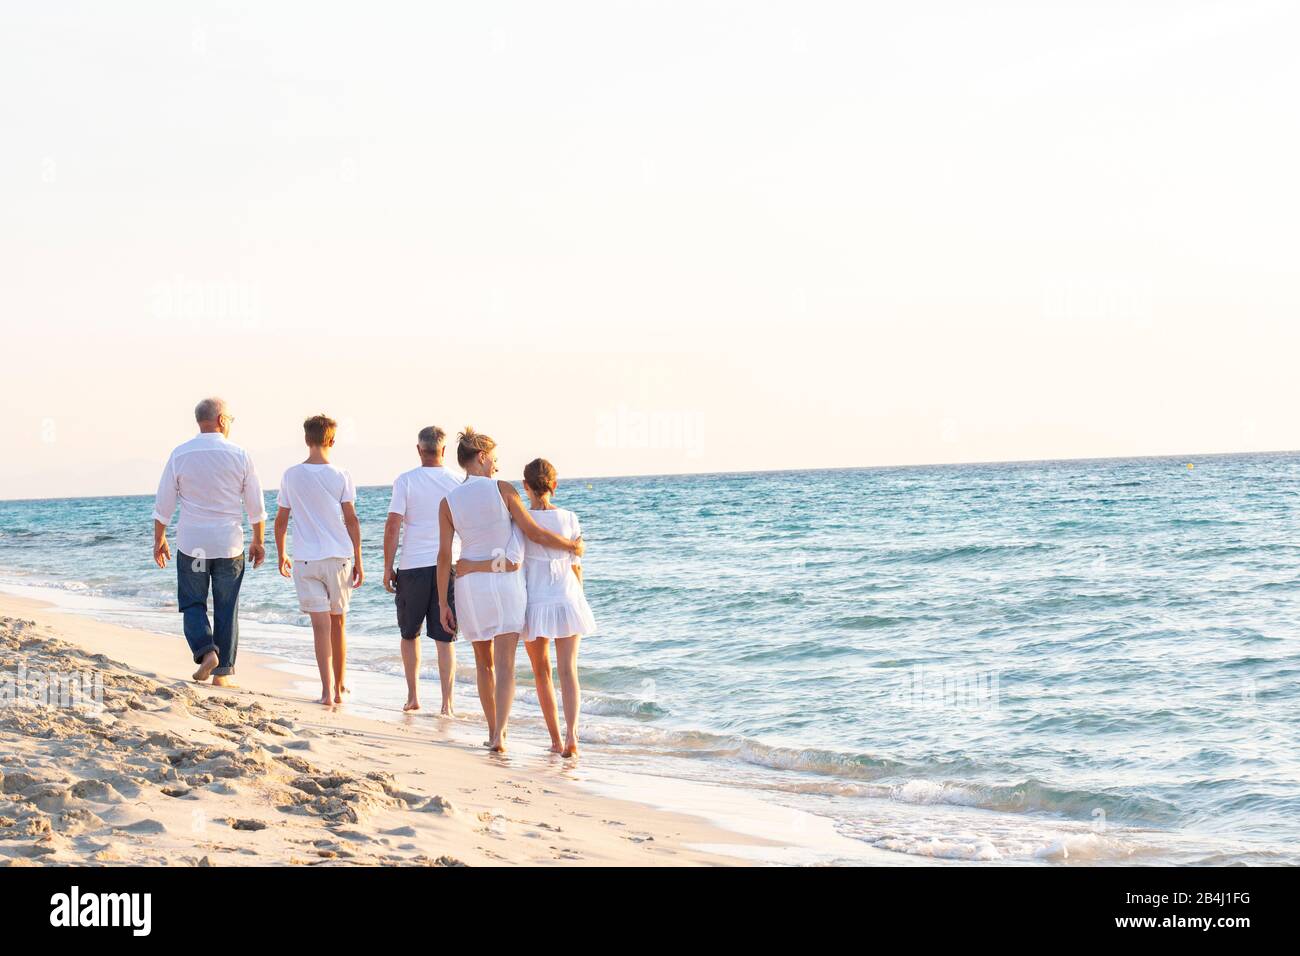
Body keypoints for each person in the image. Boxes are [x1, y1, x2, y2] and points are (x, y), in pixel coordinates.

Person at [436, 427, 583, 753]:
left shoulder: (447, 502)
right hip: (503, 584)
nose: (497, 466)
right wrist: (570, 545)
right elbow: (532, 531)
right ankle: (501, 733)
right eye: (495, 460)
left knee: (483, 664)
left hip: (468, 587)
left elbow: (445, 555)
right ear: (482, 457)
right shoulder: (502, 489)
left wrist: (442, 604)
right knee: (504, 664)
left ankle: (493, 733)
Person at [152, 397, 266, 686]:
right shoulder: (240, 454)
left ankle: (205, 651)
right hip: (228, 545)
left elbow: (164, 501)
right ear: (222, 420)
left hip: (194, 546)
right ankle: (222, 674)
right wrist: (259, 540)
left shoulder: (180, 454)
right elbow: (255, 503)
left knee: (193, 603)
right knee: (227, 606)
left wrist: (159, 538)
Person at [274, 414, 364, 705]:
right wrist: (360, 560)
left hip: (306, 560)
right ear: (332, 440)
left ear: (306, 439)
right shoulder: (341, 474)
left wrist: (281, 553)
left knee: (320, 627)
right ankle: (340, 687)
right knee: (338, 624)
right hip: (339, 557)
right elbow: (351, 520)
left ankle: (326, 692)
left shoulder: (291, 475)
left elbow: (281, 521)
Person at [383, 426, 464, 715]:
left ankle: (413, 696)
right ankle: (447, 703)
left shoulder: (405, 481)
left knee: (409, 634)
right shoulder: (458, 480)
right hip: (449, 564)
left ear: (419, 450)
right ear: (443, 451)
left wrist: (387, 567)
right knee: (445, 636)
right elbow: (466, 525)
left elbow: (393, 525)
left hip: (413, 566)